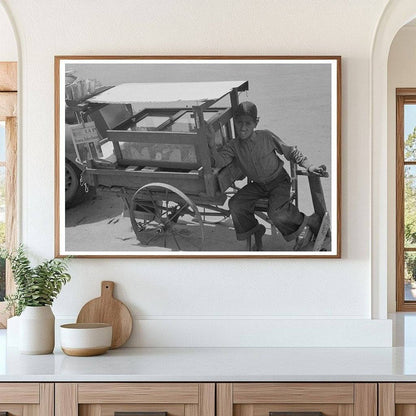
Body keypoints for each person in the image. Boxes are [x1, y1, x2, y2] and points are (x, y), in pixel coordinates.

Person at [206, 101, 325, 251]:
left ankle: (309, 220)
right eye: (239, 123)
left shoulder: (266, 137)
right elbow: (219, 162)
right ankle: (256, 230)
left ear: (256, 123)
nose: (243, 127)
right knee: (235, 204)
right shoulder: (233, 146)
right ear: (235, 123)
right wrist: (211, 145)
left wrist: (309, 166)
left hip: (279, 182)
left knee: (276, 213)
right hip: (258, 186)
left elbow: (291, 151)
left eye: (248, 123)